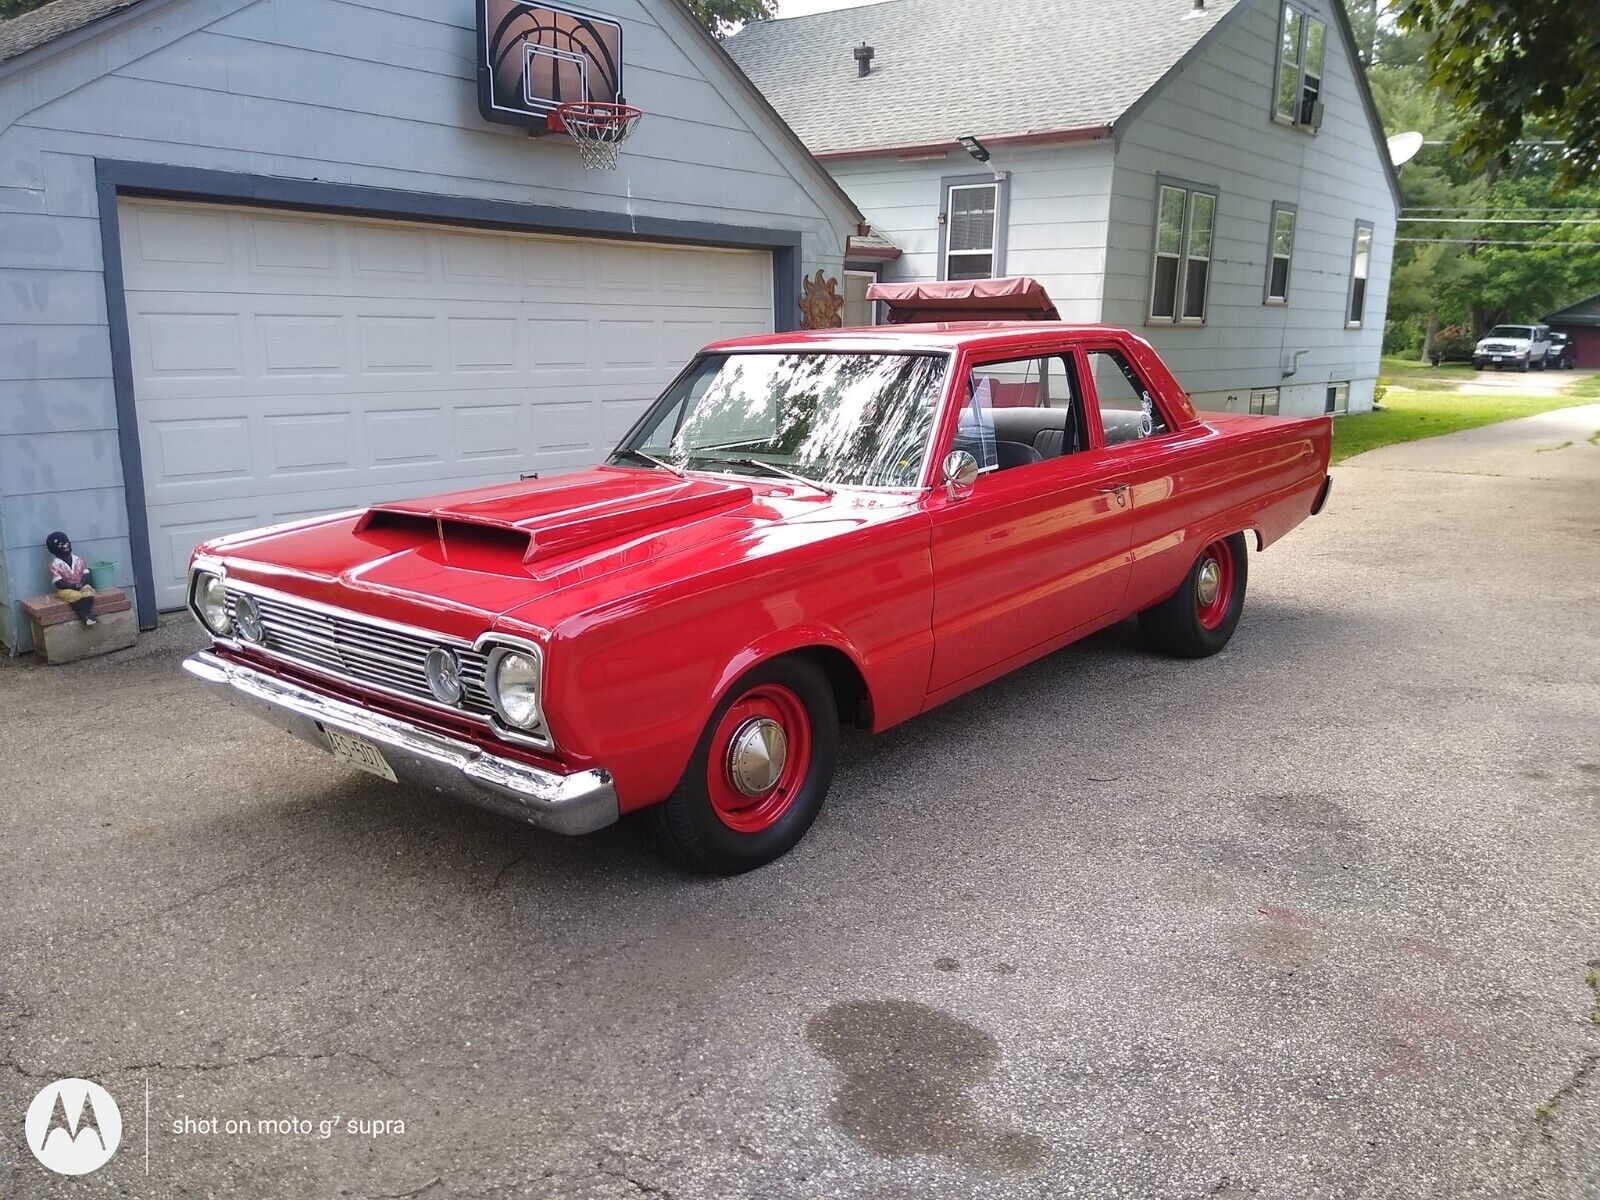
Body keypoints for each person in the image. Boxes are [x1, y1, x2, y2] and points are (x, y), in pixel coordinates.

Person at [45, 531, 97, 627]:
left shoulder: (79, 559)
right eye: (61, 545)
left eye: (66, 543)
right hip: (66, 589)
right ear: (53, 549)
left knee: (89, 592)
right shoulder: (55, 565)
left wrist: (82, 583)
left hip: (81, 585)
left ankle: (88, 614)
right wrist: (73, 586)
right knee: (74, 595)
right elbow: (59, 583)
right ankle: (85, 616)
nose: (65, 546)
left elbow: (86, 575)